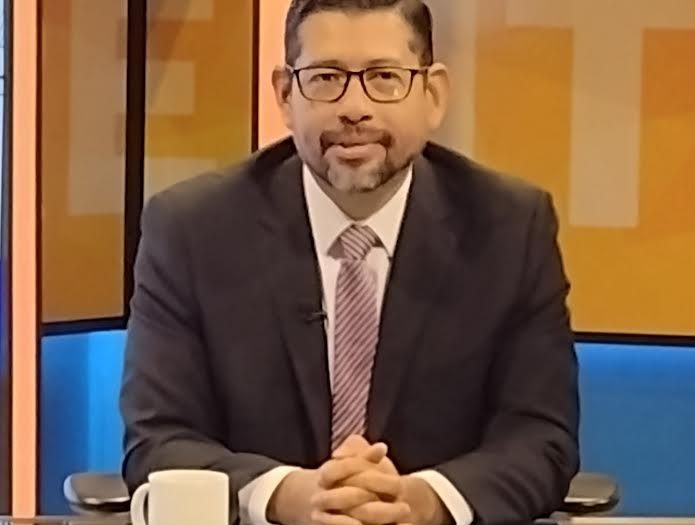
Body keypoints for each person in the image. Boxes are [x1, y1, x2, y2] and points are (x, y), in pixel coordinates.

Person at [120, 1, 579, 524]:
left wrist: (419, 502)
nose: (354, 108)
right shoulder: (191, 230)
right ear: (285, 95)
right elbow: (159, 439)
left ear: (432, 96)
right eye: (326, 78)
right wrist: (289, 496)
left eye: (384, 78)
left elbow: (540, 440)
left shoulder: (509, 228)